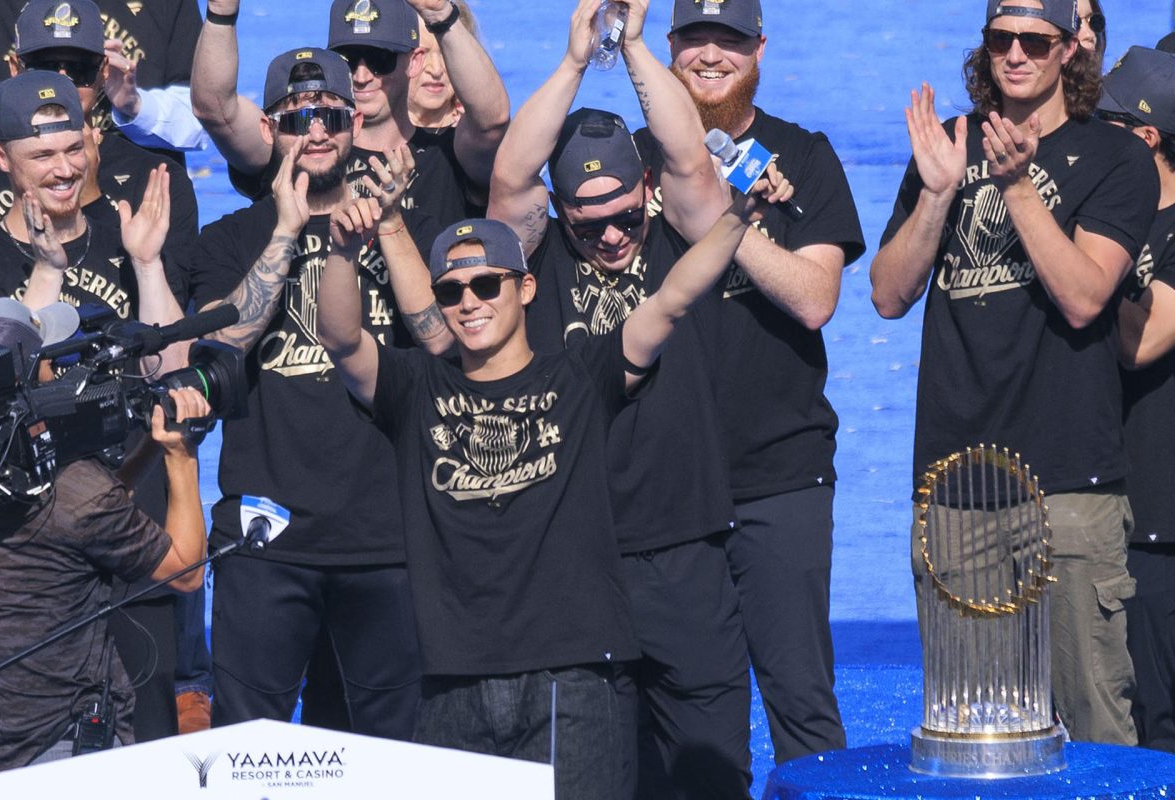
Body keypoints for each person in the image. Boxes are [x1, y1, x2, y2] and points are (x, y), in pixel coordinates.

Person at [317, 172, 769, 799]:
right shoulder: (414, 387)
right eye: (450, 292)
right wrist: (341, 251)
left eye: (484, 284)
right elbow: (341, 338)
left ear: (525, 286)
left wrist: (739, 215)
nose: (468, 302)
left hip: (575, 679)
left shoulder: (580, 375)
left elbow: (670, 301)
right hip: (454, 680)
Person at [489, 1, 773, 795]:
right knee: (591, 779)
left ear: (644, 193)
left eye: (622, 218)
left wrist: (639, 47)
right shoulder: (531, 264)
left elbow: (689, 158)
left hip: (685, 550)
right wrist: (576, 59)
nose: (611, 240)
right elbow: (511, 177)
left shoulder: (677, 227)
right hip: (577, 560)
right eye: (589, 226)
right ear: (561, 215)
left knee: (710, 773)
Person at [869, 0, 1158, 744]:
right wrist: (936, 193)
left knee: (1093, 720)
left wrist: (1018, 187)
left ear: (1070, 51)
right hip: (955, 486)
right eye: (1002, 38)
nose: (1017, 54)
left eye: (1036, 40)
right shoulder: (949, 146)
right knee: (975, 731)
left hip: (1068, 485)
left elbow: (1085, 295)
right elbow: (888, 292)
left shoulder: (1115, 158)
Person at [637, 0, 867, 764]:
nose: (711, 55)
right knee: (684, 718)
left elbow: (814, 298)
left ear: (760, 48)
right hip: (662, 487)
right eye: (695, 39)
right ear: (668, 49)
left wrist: (719, 223)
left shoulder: (802, 155)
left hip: (780, 477)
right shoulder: (626, 164)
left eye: (728, 40)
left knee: (803, 705)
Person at [187, 48, 431, 739]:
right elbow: (223, 346)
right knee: (246, 744)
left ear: (356, 123)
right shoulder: (230, 240)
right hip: (268, 543)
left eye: (330, 115)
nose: (317, 132)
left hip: (385, 541)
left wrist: (388, 222)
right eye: (299, 119)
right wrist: (288, 229)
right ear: (270, 129)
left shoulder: (397, 229)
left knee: (392, 752)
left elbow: (440, 341)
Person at [0, 295, 209, 774]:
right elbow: (184, 571)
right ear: (32, 376)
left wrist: (144, 448)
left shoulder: (1, 479)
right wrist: (181, 458)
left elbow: (79, 519)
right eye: (51, 365)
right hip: (64, 740)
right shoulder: (75, 490)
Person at [192, 0, 507, 216]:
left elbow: (492, 121)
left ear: (414, 63)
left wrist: (443, 17)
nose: (361, 75)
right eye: (348, 59)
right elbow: (215, 109)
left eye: (380, 60)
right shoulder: (303, 148)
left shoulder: (446, 154)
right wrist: (221, 13)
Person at [1101, 46, 1175, 754]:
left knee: (1159, 726)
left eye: (1103, 123)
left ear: (1144, 137)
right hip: (1107, 515)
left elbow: (1141, 343)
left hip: (1163, 528)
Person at [0, 0, 207, 155]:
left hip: (138, 190)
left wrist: (134, 105)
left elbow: (203, 123)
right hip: (12, 196)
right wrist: (29, 117)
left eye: (80, 68)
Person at [408, 0, 475, 131]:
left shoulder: (480, 136)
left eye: (446, 54)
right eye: (420, 54)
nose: (436, 70)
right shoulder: (360, 134)